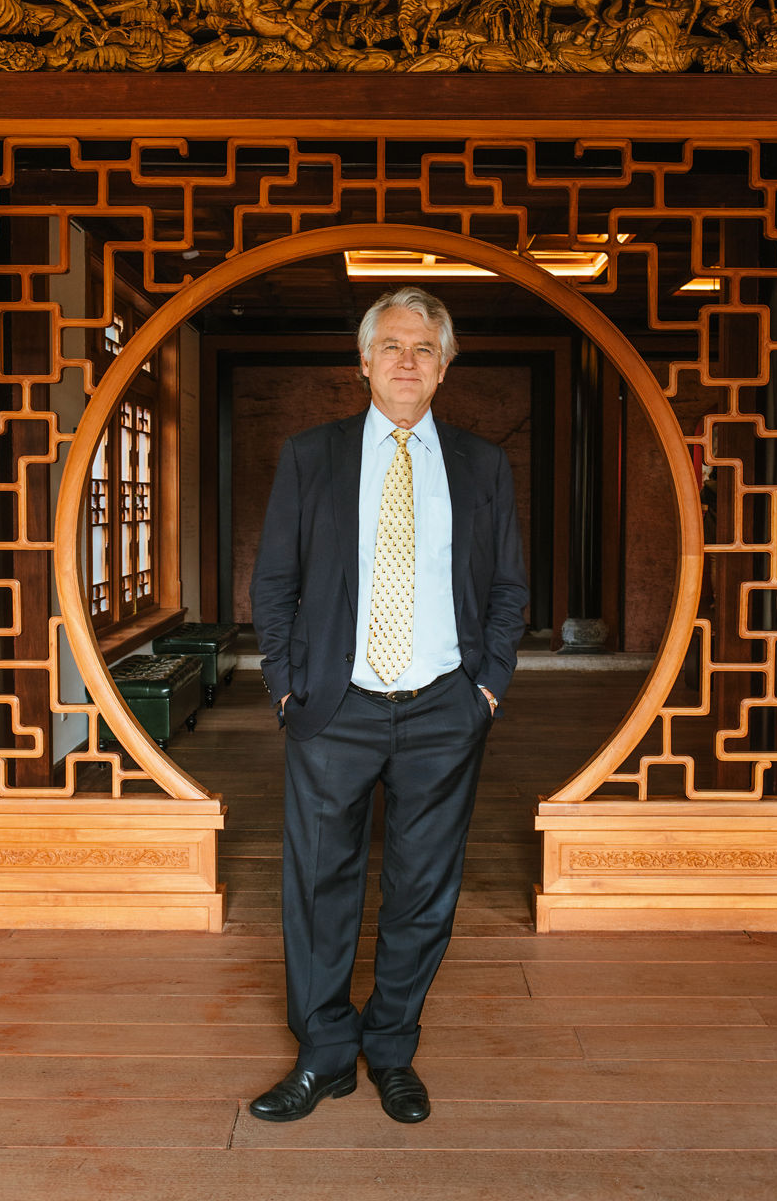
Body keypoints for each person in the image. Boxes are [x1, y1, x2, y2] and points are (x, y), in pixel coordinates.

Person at [248, 286, 528, 1124]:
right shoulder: (310, 455)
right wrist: (285, 685)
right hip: (335, 706)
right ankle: (325, 1053)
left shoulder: (483, 464)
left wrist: (487, 687)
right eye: (392, 347)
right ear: (363, 362)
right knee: (318, 885)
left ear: (444, 370)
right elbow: (274, 583)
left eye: (424, 350)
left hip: (445, 706)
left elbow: (508, 586)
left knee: (422, 888)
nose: (407, 361)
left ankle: (392, 1047)